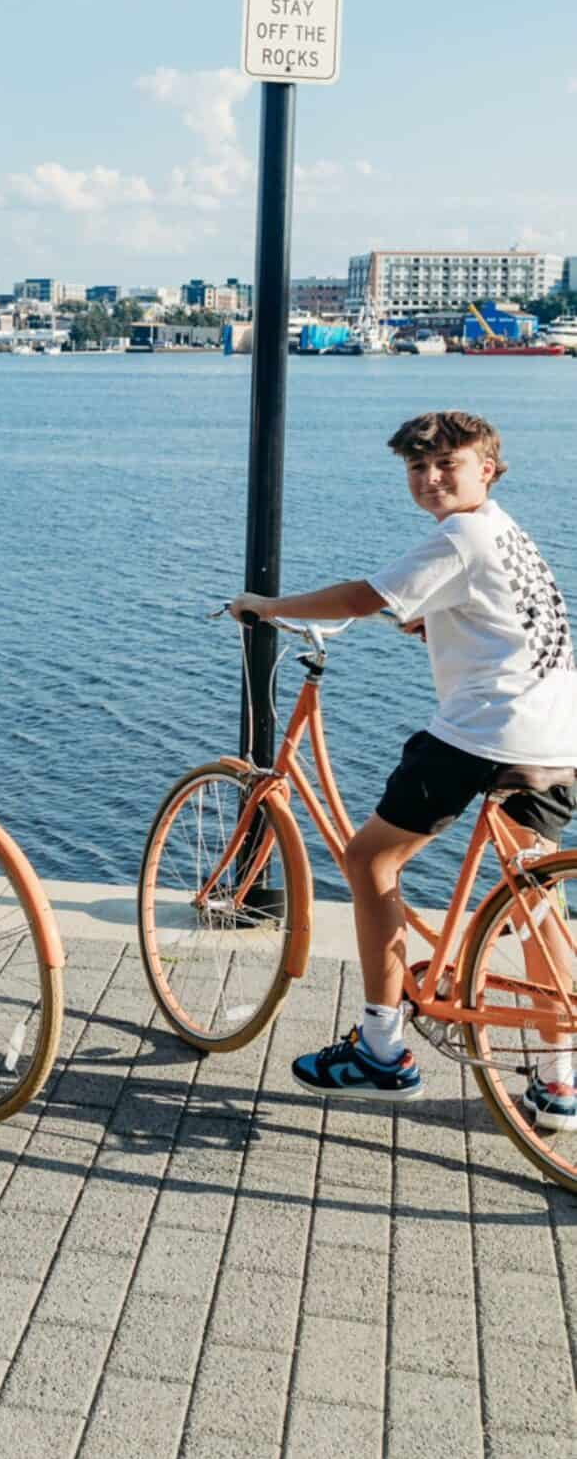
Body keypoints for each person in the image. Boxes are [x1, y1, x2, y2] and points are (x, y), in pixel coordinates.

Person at [230, 409, 577, 1131]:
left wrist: (266, 605)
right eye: (416, 468)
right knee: (533, 903)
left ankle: (381, 1050)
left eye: (445, 465)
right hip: (556, 737)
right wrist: (432, 620)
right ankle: (558, 1080)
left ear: (486, 468)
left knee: (368, 862)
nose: (428, 479)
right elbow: (492, 609)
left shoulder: (460, 535)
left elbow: (362, 599)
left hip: (483, 736)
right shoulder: (506, 532)